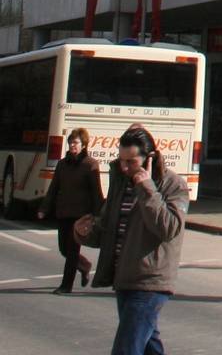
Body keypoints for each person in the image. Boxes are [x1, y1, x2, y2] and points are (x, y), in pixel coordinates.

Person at [74, 124, 187, 355]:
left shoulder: (172, 185)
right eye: (121, 160)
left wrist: (146, 187)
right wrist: (84, 232)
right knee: (148, 346)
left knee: (126, 349)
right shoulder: (121, 183)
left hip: (149, 281)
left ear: (150, 158)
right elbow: (108, 229)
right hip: (124, 278)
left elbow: (169, 228)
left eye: (131, 162)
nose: (124, 167)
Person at [38, 127, 102, 294]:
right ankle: (84, 266)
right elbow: (53, 188)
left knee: (72, 251)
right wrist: (44, 208)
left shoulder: (90, 165)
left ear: (83, 145)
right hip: (63, 212)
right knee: (63, 249)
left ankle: (66, 286)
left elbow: (97, 192)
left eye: (76, 142)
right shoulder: (62, 164)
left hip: (80, 216)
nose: (72, 145)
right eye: (71, 142)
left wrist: (97, 215)